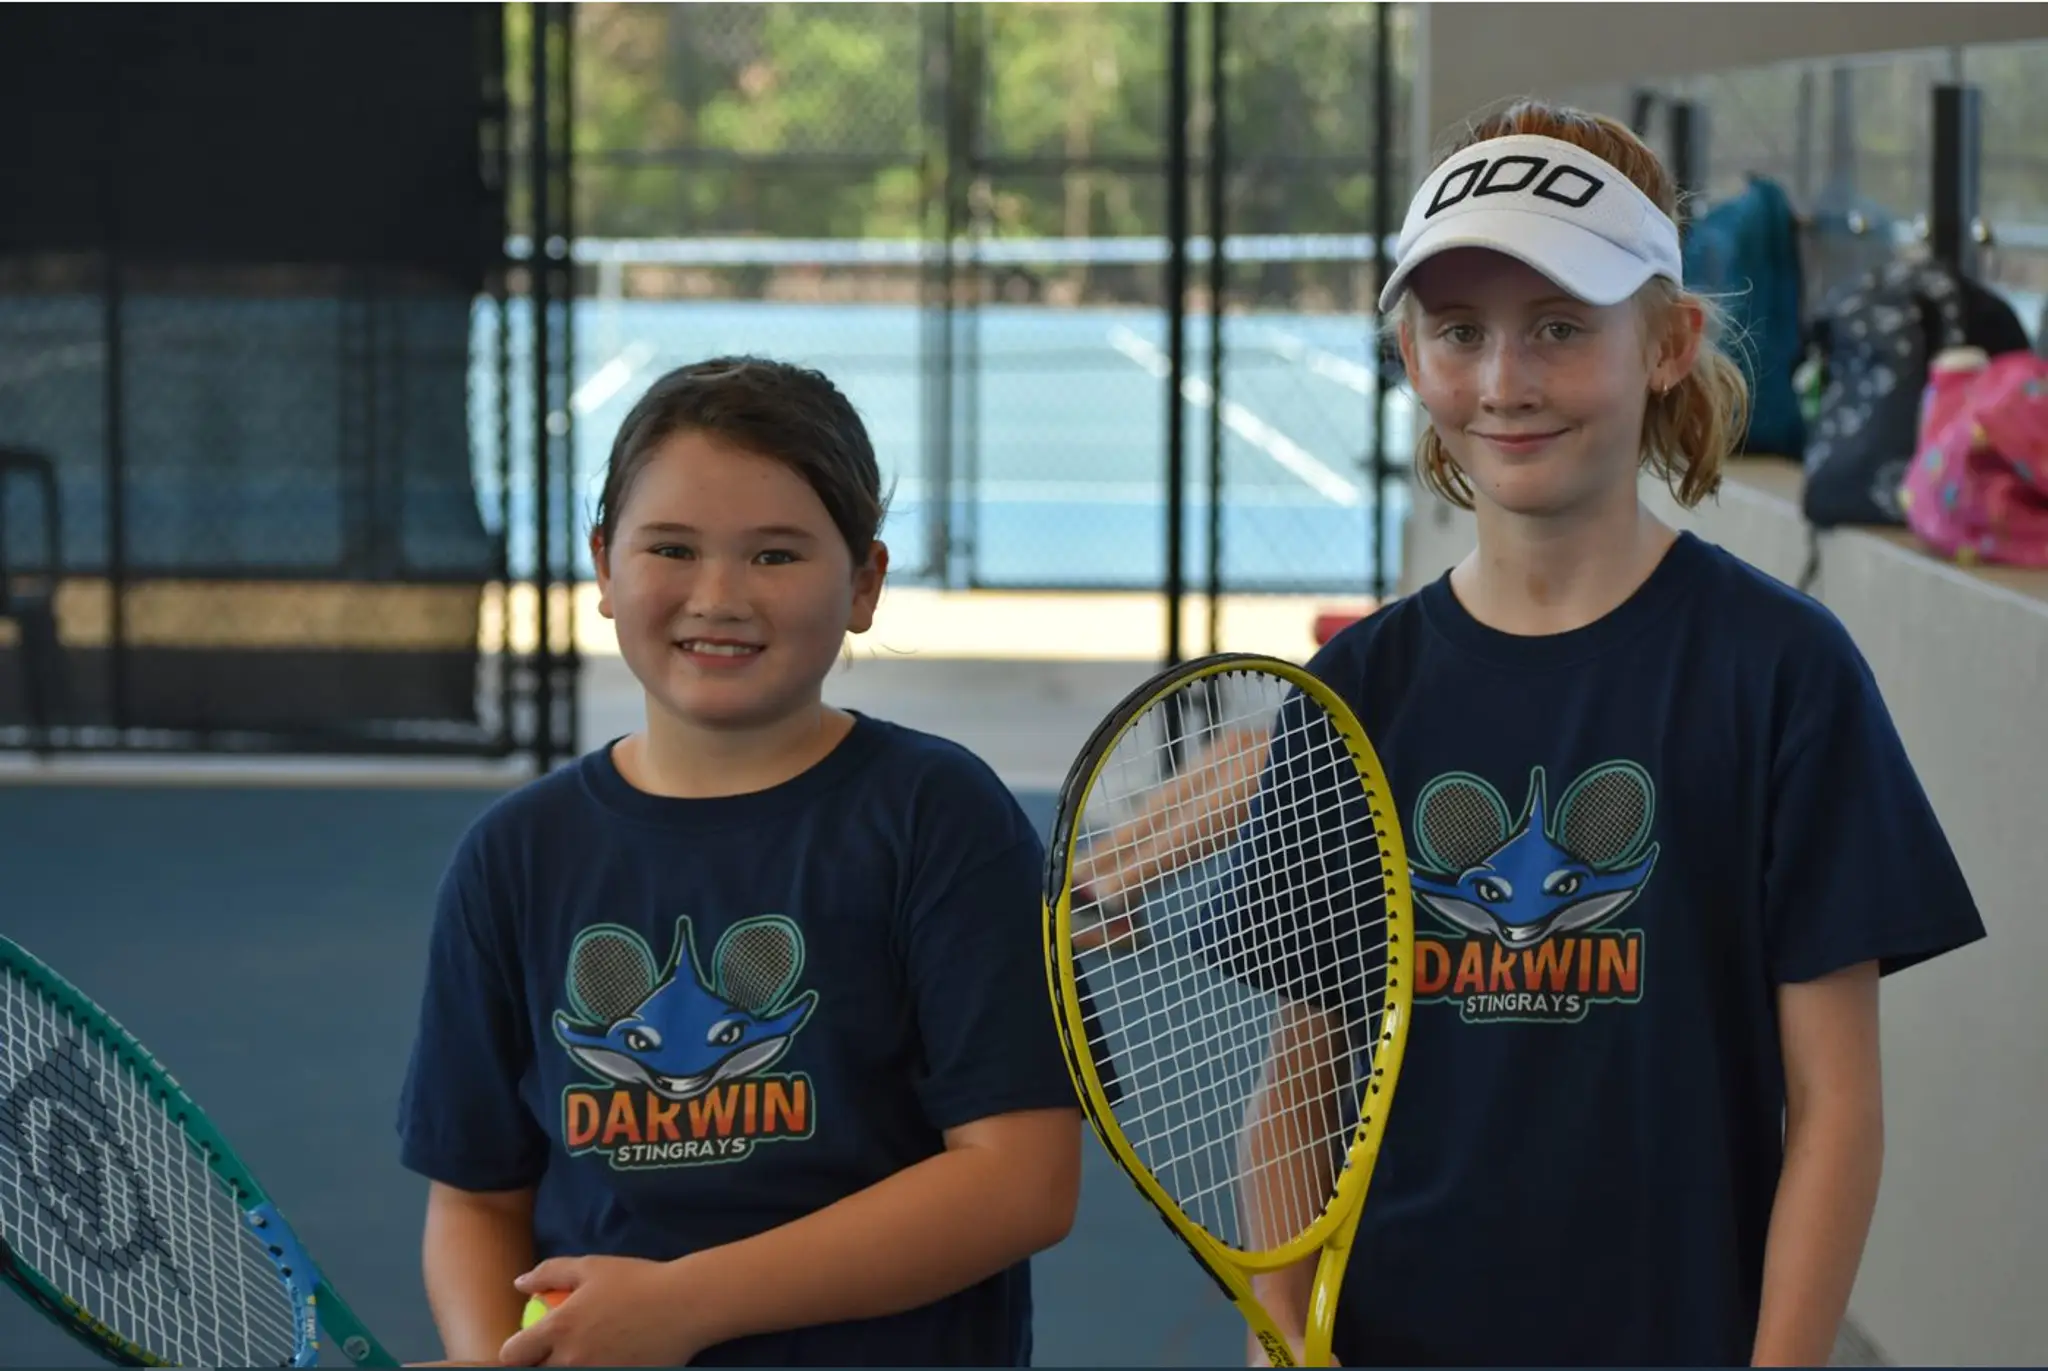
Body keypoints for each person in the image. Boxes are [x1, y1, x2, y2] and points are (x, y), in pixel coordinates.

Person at [1242, 100, 1988, 1367]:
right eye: (1457, 331)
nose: (1500, 382)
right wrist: (1280, 1340)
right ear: (1409, 356)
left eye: (1557, 328)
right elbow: (1295, 1094)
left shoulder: (1781, 673)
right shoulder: (1356, 689)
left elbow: (1835, 1110)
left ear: (1667, 342)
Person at [394, 356, 1083, 1368]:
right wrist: (490, 1352)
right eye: (671, 547)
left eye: (775, 556)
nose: (717, 595)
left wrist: (683, 1306)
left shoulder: (937, 817)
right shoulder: (515, 856)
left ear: (864, 583)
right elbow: (474, 1198)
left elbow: (1019, 1180)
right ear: (603, 567)